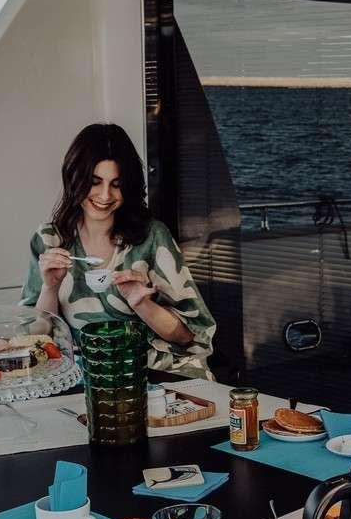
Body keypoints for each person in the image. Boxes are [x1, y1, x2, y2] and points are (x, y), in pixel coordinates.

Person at [21, 123, 217, 379]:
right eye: (94, 182)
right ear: (74, 178)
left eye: (116, 184)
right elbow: (37, 338)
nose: (105, 195)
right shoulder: (49, 239)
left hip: (155, 375)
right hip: (82, 378)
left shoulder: (151, 237)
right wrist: (50, 288)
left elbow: (190, 336)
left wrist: (142, 304)